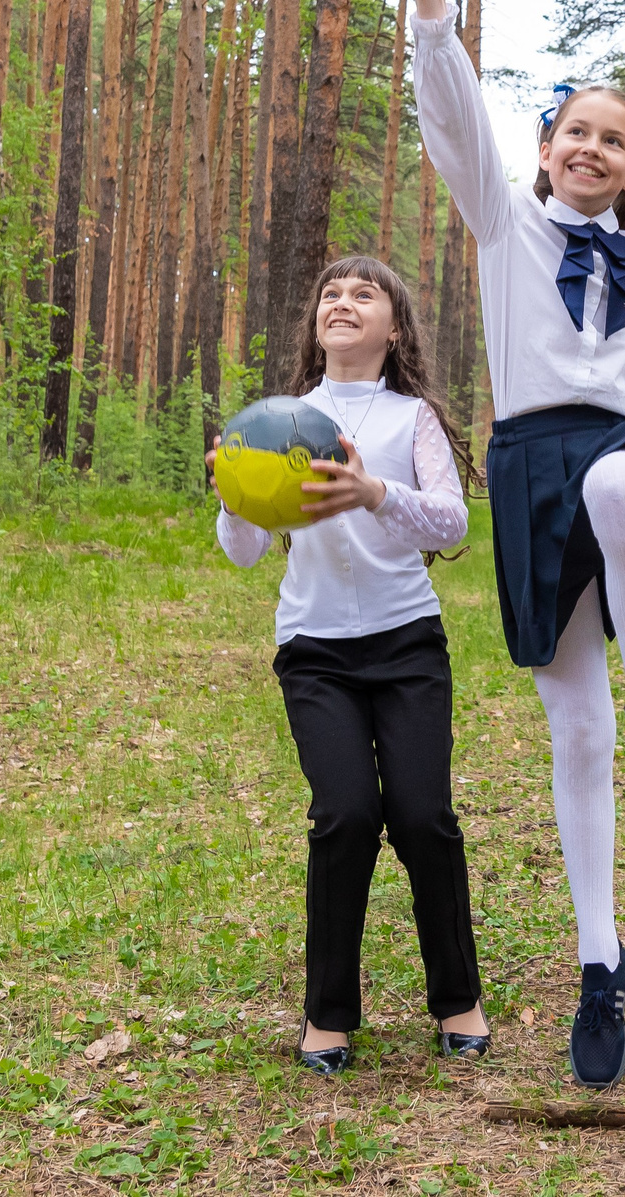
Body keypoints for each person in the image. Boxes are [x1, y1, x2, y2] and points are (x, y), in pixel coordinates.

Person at [388, 0, 625, 1090]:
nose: (589, 148)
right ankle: (597, 958)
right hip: (527, 461)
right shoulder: (502, 224)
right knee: (568, 731)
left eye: (613, 141)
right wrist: (432, 3)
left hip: (615, 438)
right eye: (572, 130)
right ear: (546, 148)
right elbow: (452, 121)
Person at [210, 255, 492, 1075]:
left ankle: (458, 999)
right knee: (344, 816)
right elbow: (243, 551)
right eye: (330, 292)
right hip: (315, 651)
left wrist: (374, 492)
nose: (342, 300)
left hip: (408, 646)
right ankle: (327, 1014)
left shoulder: (411, 420)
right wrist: (232, 494)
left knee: (421, 817)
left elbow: (448, 520)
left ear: (393, 327)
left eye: (363, 293)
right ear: (316, 324)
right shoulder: (277, 418)